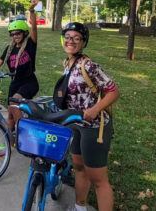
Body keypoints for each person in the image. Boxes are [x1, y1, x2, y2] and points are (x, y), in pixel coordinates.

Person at [57, 22, 119, 211]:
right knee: (79, 167)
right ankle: (80, 207)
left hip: (94, 128)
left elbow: (113, 92)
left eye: (76, 38)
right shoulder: (68, 62)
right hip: (75, 123)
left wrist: (94, 110)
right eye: (68, 37)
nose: (71, 41)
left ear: (83, 42)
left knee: (98, 179)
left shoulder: (89, 65)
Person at [0, 0, 39, 155]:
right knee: (10, 113)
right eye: (12, 34)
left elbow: (35, 29)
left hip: (29, 82)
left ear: (24, 33)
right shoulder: (9, 50)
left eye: (17, 33)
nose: (15, 36)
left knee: (14, 104)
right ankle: (8, 143)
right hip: (15, 83)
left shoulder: (30, 45)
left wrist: (32, 11)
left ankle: (27, 136)